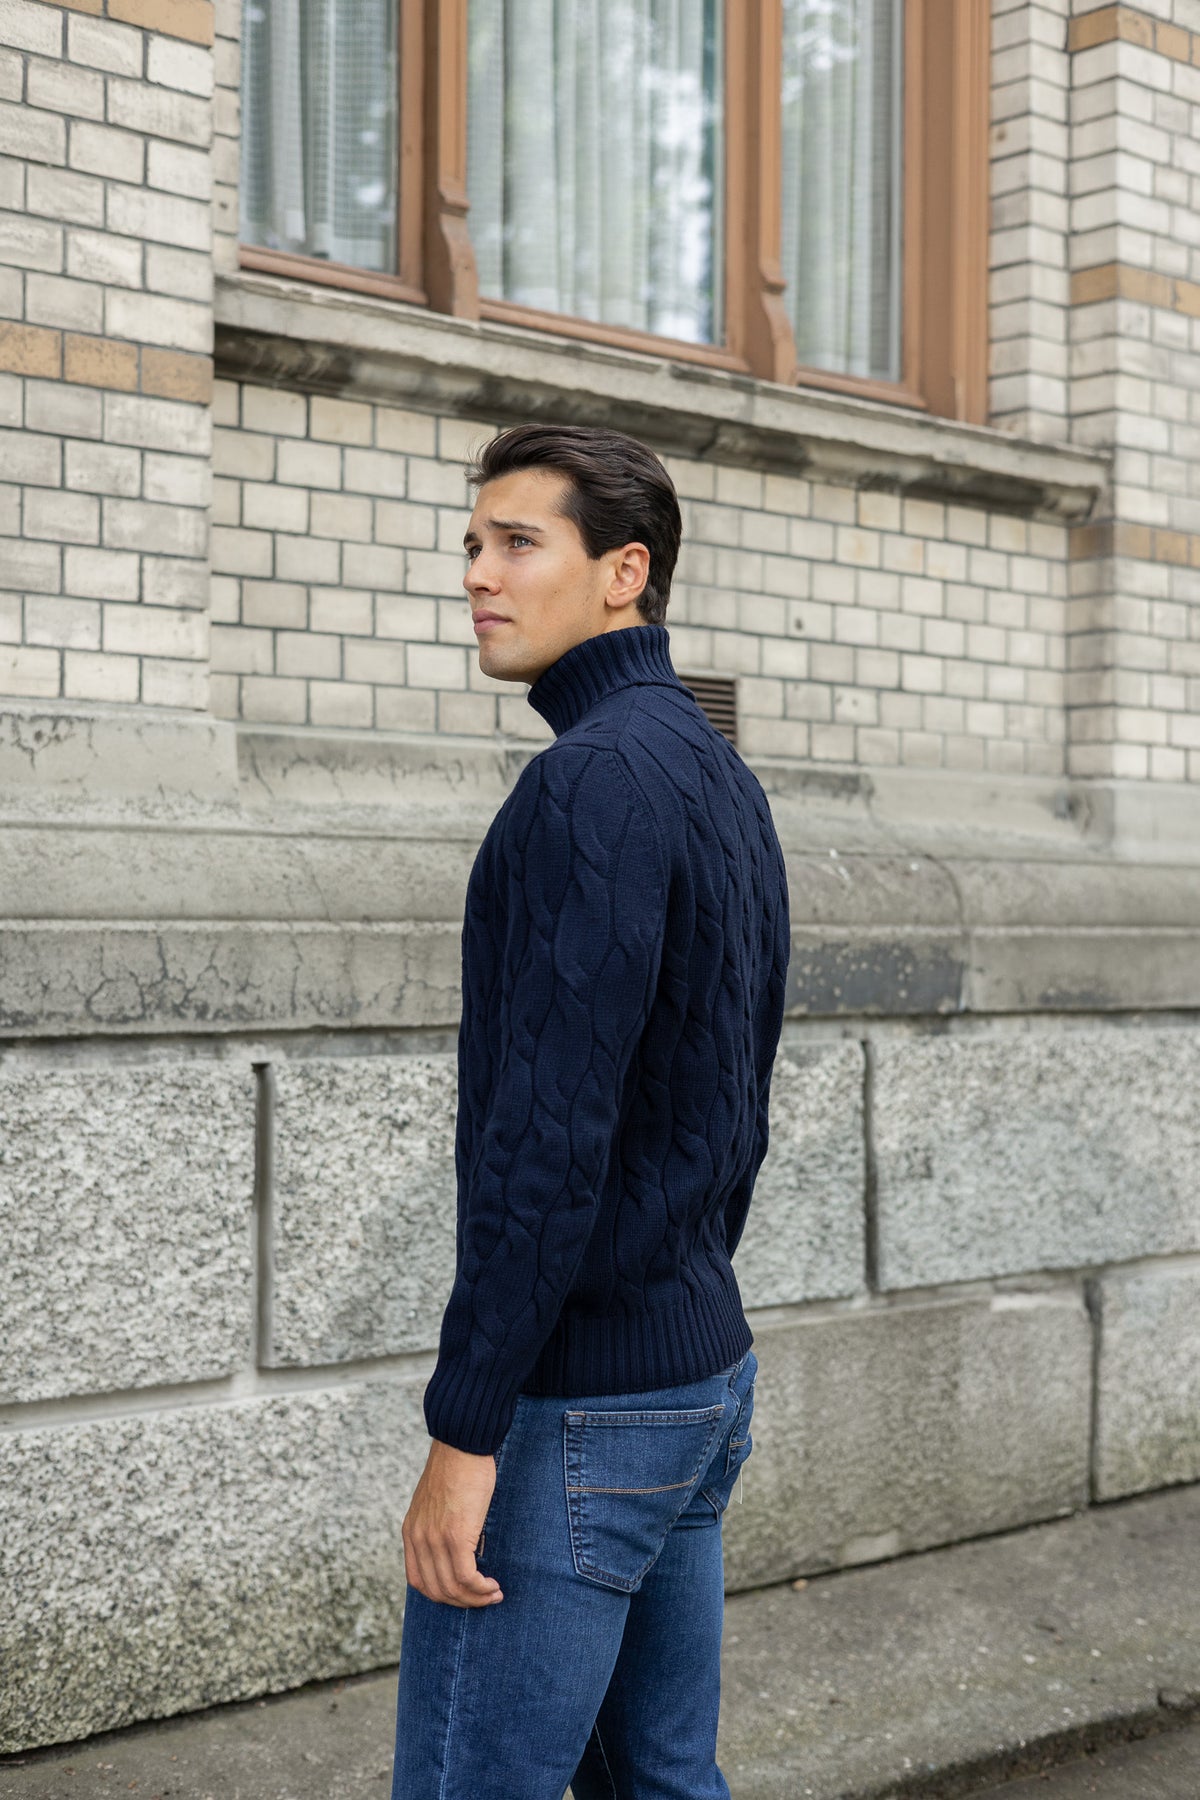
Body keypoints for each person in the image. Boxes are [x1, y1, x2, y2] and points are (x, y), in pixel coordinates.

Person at [390, 423, 791, 1799]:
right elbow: (735, 1096)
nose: (477, 574)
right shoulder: (712, 770)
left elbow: (547, 1142)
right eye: (472, 544)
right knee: (665, 1784)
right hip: (697, 1374)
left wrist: (465, 1434)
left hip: (584, 1406)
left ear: (625, 573)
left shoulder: (589, 784)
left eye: (518, 543)